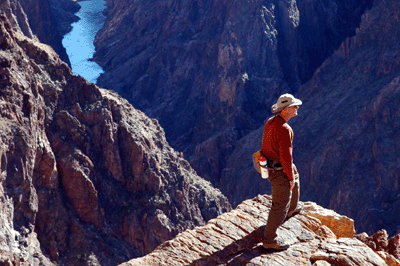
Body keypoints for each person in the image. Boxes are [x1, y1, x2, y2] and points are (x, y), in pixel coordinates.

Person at [261, 93, 304, 250]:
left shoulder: (270, 122)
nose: (297, 108)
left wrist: (291, 173)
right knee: (279, 205)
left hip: (270, 165)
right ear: (285, 110)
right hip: (279, 169)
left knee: (295, 175)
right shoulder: (285, 129)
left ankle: (292, 208)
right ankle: (269, 239)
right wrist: (289, 177)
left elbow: (265, 144)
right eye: (294, 106)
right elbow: (286, 156)